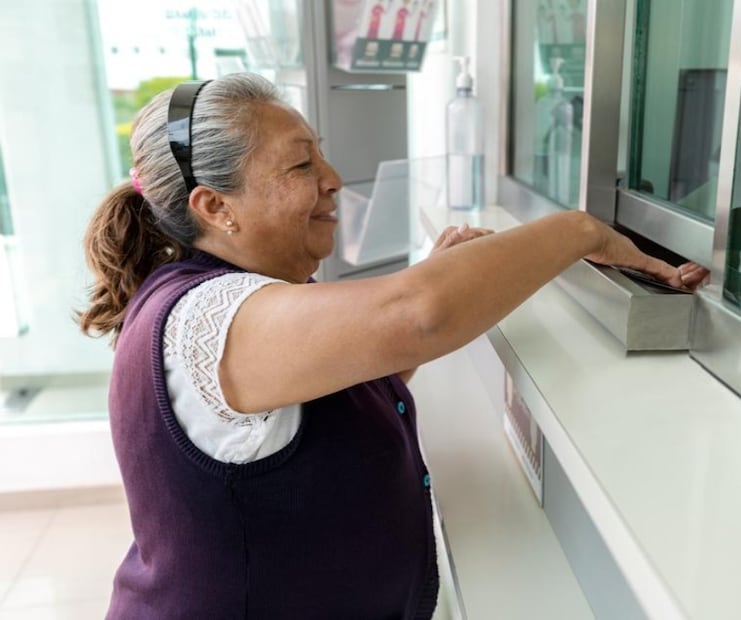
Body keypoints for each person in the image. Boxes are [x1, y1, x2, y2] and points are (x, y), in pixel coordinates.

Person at [79, 72, 708, 619]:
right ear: (216, 206)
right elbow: (419, 314)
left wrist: (449, 269)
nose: (331, 178)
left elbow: (351, 378)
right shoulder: (207, 319)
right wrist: (580, 229)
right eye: (301, 165)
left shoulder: (238, 299)